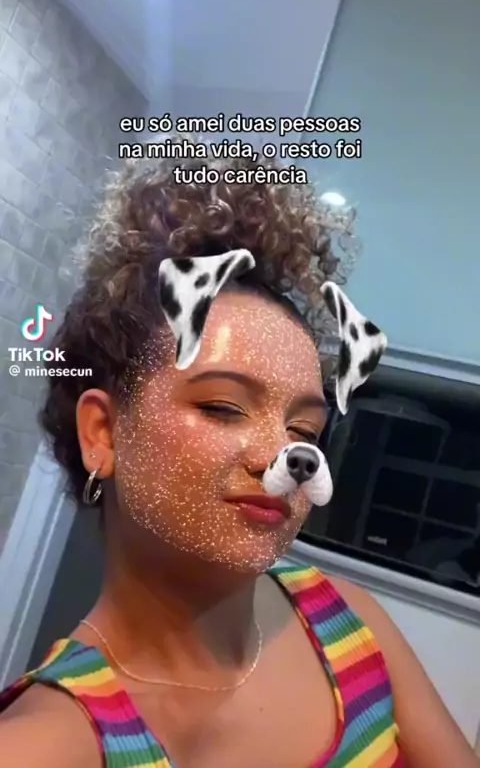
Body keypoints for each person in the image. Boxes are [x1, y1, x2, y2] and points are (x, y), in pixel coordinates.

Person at [0, 146, 478, 768]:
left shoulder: (347, 619)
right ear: (104, 434)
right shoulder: (39, 745)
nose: (284, 459)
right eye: (223, 407)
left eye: (304, 429)